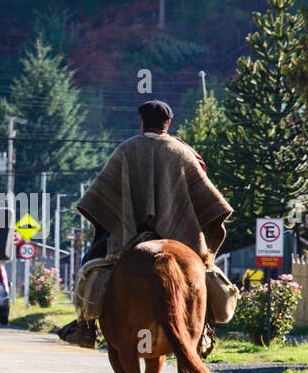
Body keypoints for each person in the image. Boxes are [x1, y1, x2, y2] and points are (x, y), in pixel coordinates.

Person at [57, 100, 233, 348]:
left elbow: (100, 198)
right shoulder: (183, 153)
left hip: (128, 235)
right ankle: (204, 330)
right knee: (203, 274)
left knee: (90, 264)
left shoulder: (125, 150)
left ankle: (85, 326)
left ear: (142, 123)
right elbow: (209, 202)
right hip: (179, 236)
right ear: (168, 123)